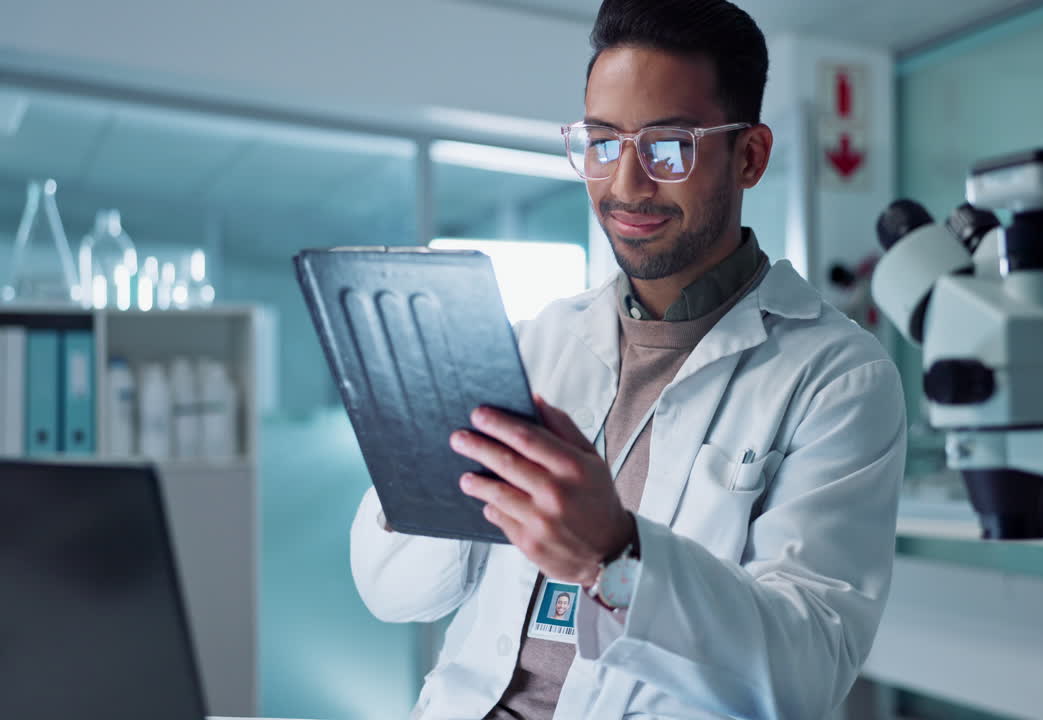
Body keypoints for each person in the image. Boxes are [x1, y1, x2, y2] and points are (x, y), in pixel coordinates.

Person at [350, 0, 907, 717]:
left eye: (669, 147)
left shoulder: (836, 377)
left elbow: (805, 675)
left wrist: (615, 554)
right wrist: (417, 456)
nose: (626, 184)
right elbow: (395, 594)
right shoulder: (536, 343)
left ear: (750, 156)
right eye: (603, 143)